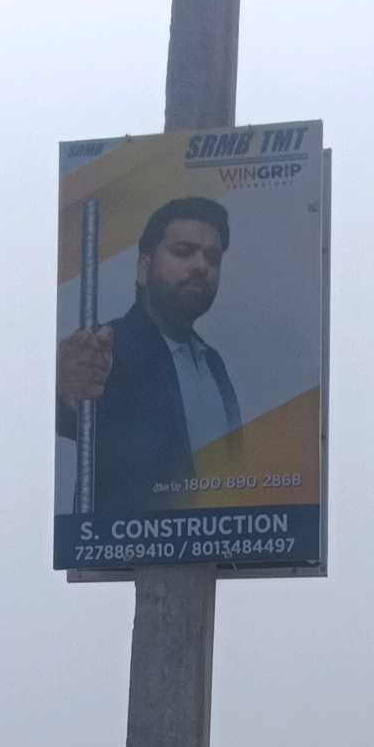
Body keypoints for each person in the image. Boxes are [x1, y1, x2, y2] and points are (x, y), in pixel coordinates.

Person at [56, 197, 244, 520]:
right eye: (184, 251)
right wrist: (62, 387)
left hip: (218, 538)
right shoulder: (108, 348)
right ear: (144, 268)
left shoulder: (213, 363)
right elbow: (67, 407)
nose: (202, 266)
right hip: (132, 540)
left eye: (212, 257)